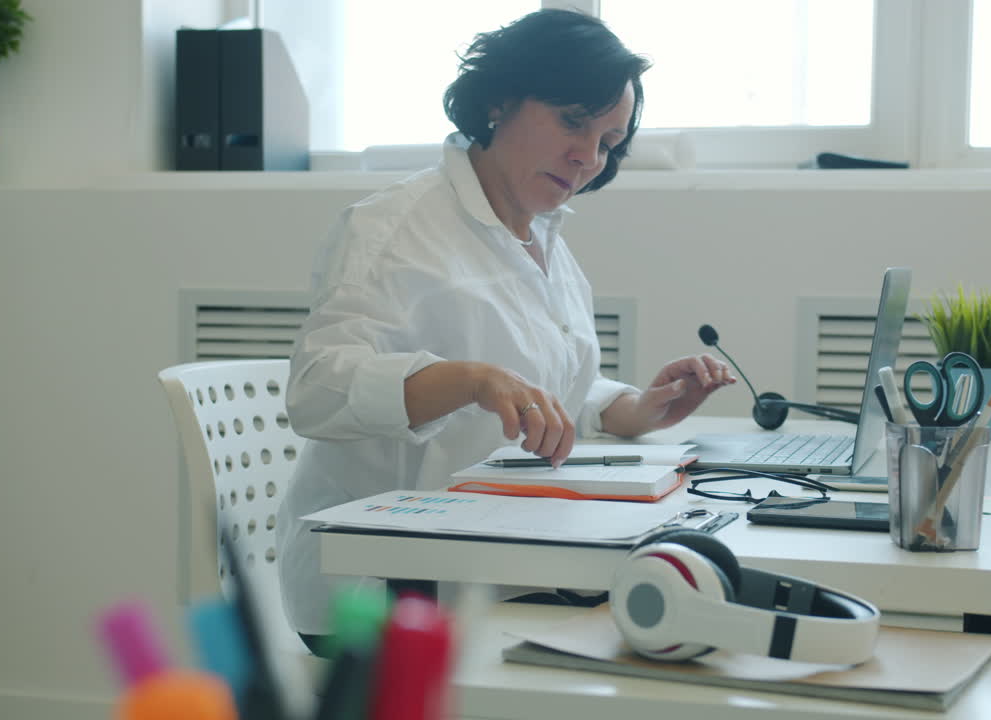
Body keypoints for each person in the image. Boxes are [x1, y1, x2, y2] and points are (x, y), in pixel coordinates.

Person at [277, 8, 736, 640]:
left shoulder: (543, 238)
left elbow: (535, 384)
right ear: (500, 100)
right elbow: (317, 390)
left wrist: (633, 408)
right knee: (659, 631)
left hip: (496, 562)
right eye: (573, 121)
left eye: (606, 143)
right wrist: (467, 379)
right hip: (381, 598)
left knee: (683, 607)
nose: (586, 158)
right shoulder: (391, 230)